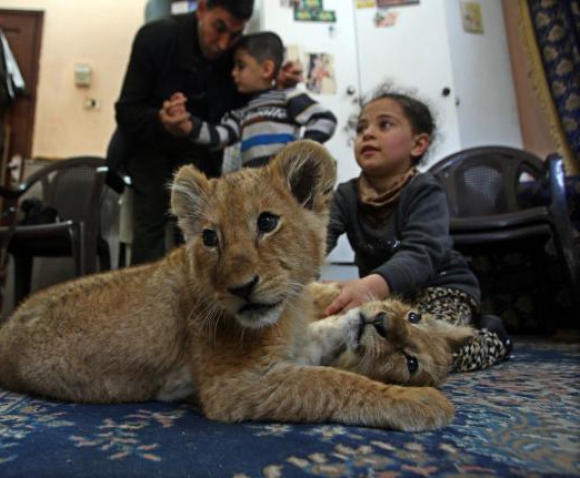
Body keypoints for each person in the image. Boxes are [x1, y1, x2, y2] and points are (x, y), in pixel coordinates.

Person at [324, 90, 512, 372]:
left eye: (384, 125)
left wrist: (368, 286)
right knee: (357, 346)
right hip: (388, 299)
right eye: (362, 128)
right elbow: (318, 239)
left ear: (418, 144)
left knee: (422, 354)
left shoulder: (424, 189)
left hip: (442, 287)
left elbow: (422, 252)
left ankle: (492, 337)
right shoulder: (345, 195)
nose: (368, 134)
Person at [114, 0, 302, 265]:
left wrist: (274, 85)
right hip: (150, 152)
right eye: (219, 28)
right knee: (150, 234)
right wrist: (161, 118)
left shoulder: (236, 53)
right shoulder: (156, 38)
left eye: (235, 34)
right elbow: (126, 110)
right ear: (201, 9)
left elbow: (245, 106)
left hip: (204, 158)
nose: (224, 43)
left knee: (203, 240)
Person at [161, 31, 337, 171]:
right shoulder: (242, 112)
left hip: (286, 184)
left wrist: (300, 151)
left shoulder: (288, 97)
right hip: (253, 188)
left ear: (267, 69)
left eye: (241, 66)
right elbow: (220, 136)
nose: (233, 73)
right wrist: (189, 125)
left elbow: (325, 119)